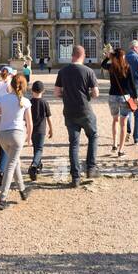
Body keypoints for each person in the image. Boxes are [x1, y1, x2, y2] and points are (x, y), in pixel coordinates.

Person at [53, 43, 99, 186]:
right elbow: (96, 93)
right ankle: (91, 168)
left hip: (69, 111)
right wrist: (88, 96)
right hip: (85, 111)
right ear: (83, 56)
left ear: (71, 55)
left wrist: (66, 96)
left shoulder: (63, 71)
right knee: (93, 136)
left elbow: (56, 93)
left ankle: (75, 177)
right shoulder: (89, 71)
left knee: (74, 144)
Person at [0, 73, 32, 209]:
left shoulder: (2, 100)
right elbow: (30, 123)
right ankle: (2, 198)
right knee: (11, 164)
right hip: (17, 135)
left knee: (14, 162)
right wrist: (29, 136)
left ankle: (23, 190)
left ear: (11, 85)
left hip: (3, 135)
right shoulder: (25, 101)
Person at [103, 46, 136, 158]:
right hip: (124, 97)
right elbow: (132, 84)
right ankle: (121, 150)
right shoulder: (127, 67)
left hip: (112, 97)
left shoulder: (111, 67)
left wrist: (108, 57)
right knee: (123, 123)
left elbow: (102, 65)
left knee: (115, 120)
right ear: (122, 56)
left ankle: (114, 144)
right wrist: (135, 97)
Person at [27, 80, 52, 181]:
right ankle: (34, 165)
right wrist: (51, 128)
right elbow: (49, 117)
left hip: (32, 129)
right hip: (41, 130)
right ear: (43, 91)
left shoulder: (29, 102)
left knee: (36, 148)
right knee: (39, 149)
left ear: (31, 90)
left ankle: (37, 166)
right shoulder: (44, 102)